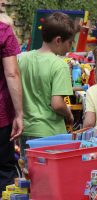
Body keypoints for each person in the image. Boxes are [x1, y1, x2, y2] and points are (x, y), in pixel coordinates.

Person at [18, 12, 75, 159]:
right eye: (70, 42)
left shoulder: (22, 58)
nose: (71, 47)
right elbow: (57, 104)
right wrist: (68, 113)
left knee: (29, 177)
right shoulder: (60, 66)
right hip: (50, 134)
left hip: (26, 129)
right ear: (58, 40)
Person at [0, 18, 23, 194]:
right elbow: (12, 73)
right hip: (1, 114)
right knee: (4, 170)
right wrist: (19, 113)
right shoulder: (3, 31)